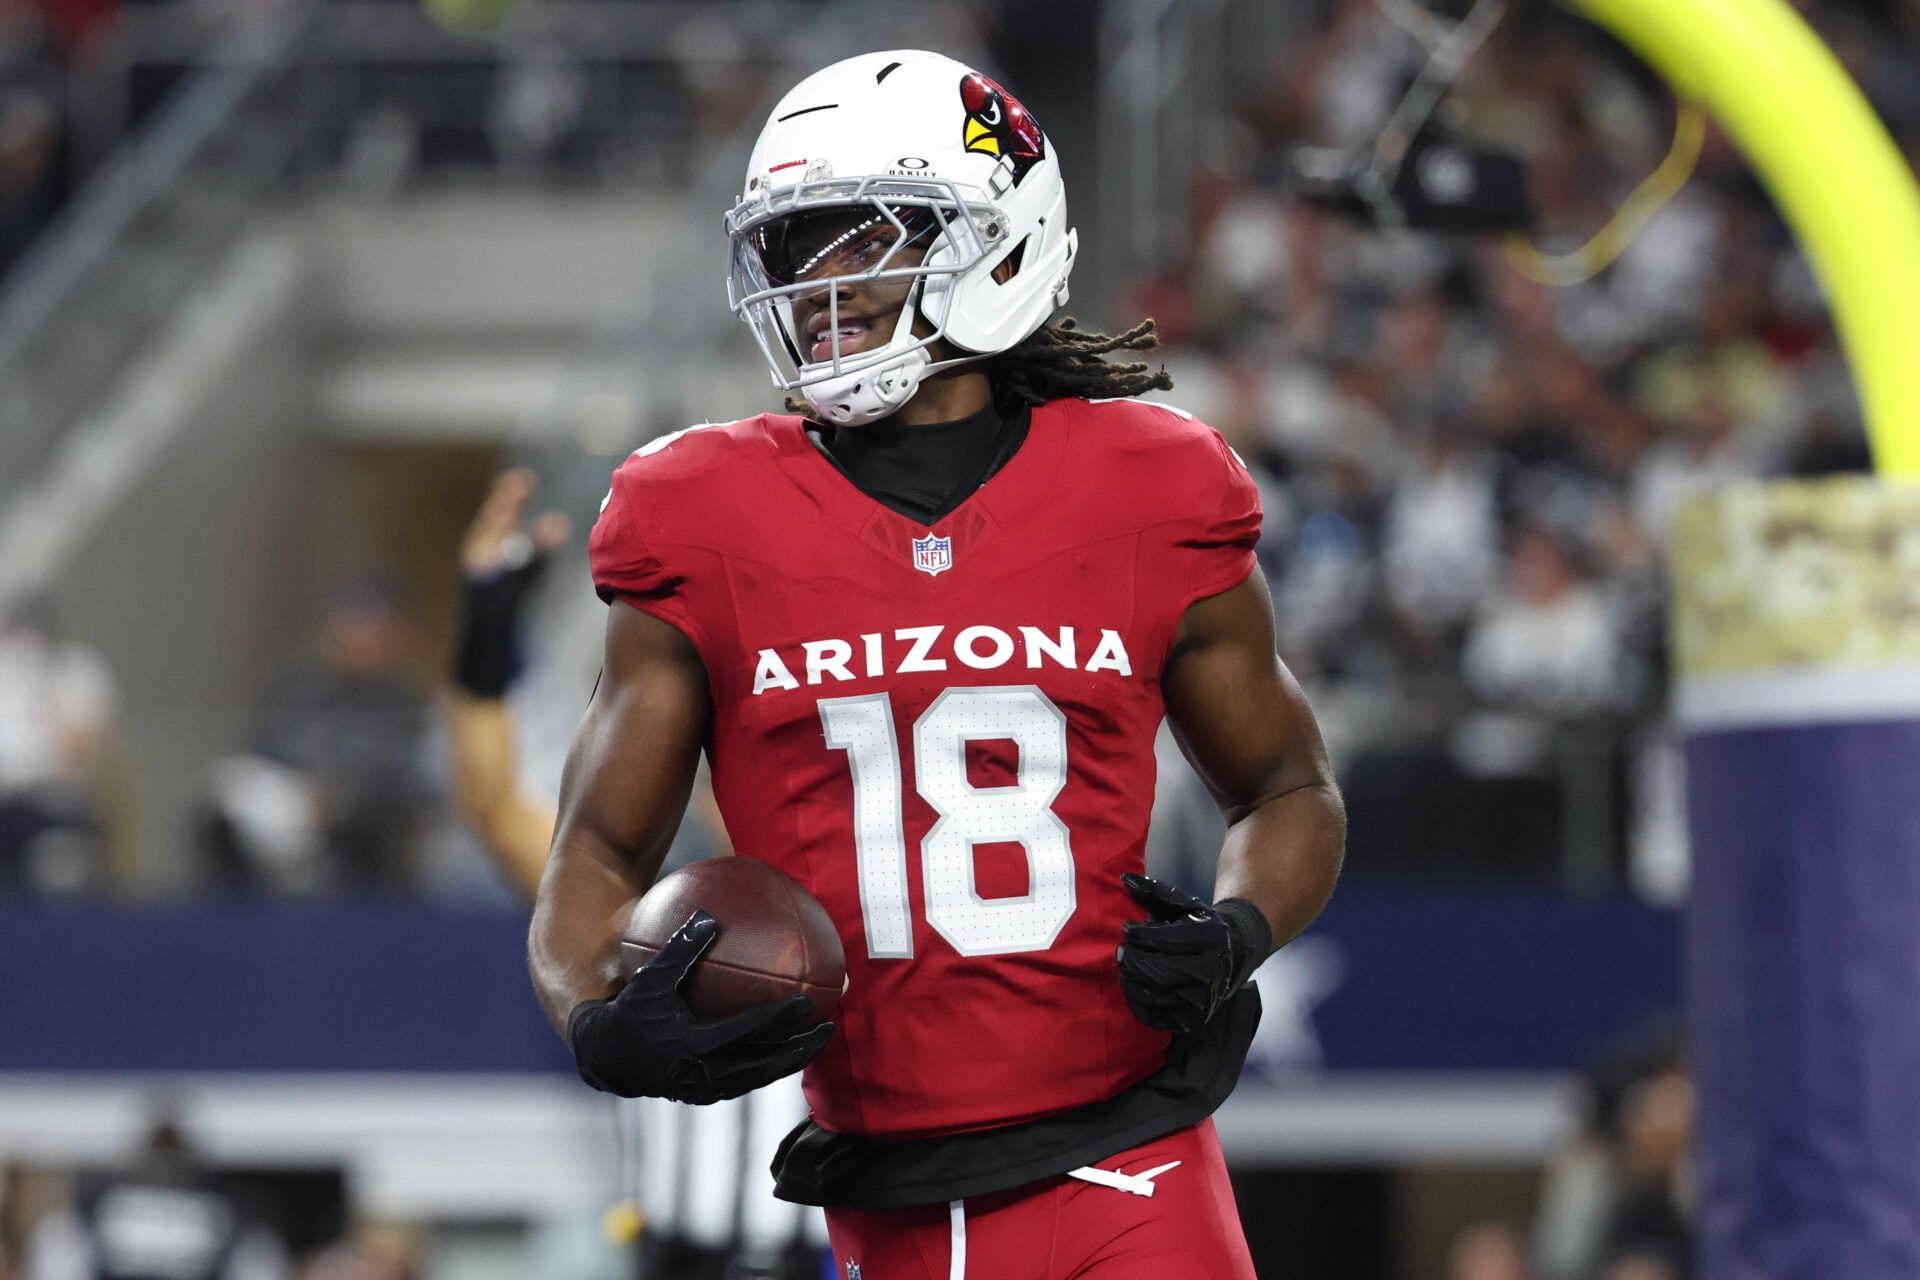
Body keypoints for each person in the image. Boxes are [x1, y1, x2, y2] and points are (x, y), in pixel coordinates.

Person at [530, 49, 1347, 1279]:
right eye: (798, 249)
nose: (822, 283)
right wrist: (600, 1017)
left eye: (865, 237)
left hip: (1130, 1163)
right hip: (883, 1193)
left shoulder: (1151, 483)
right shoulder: (698, 513)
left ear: (1000, 240)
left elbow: (1290, 788)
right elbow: (592, 855)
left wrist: (1239, 927)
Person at [448, 470, 826, 1279]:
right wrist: (486, 621)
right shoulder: (647, 916)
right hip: (678, 1258)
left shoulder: (879, 889)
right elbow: (491, 804)